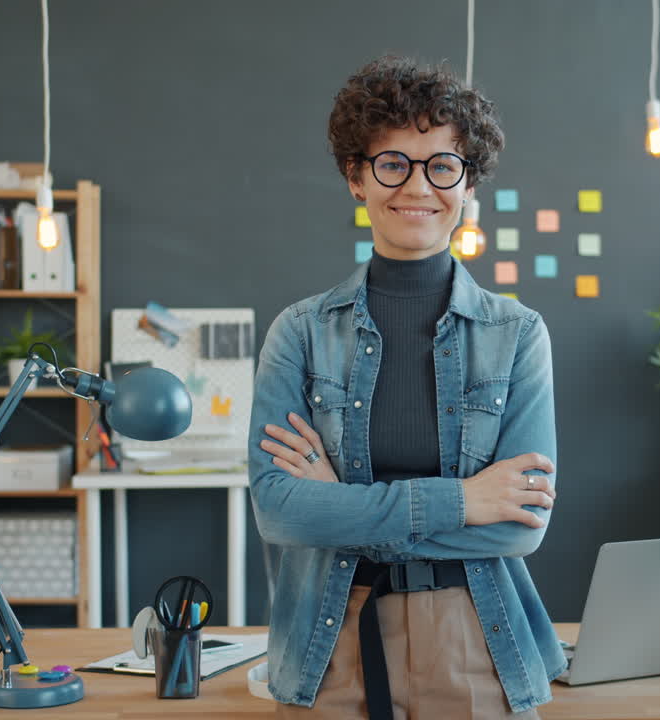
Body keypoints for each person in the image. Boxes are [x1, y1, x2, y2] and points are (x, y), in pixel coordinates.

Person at [248, 55, 563, 719]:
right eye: (393, 163)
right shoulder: (300, 333)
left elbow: (521, 526)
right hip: (329, 640)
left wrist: (340, 506)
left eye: (442, 165)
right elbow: (280, 510)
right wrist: (462, 501)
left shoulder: (518, 334)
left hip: (475, 636)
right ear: (356, 177)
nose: (418, 186)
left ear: (467, 182)